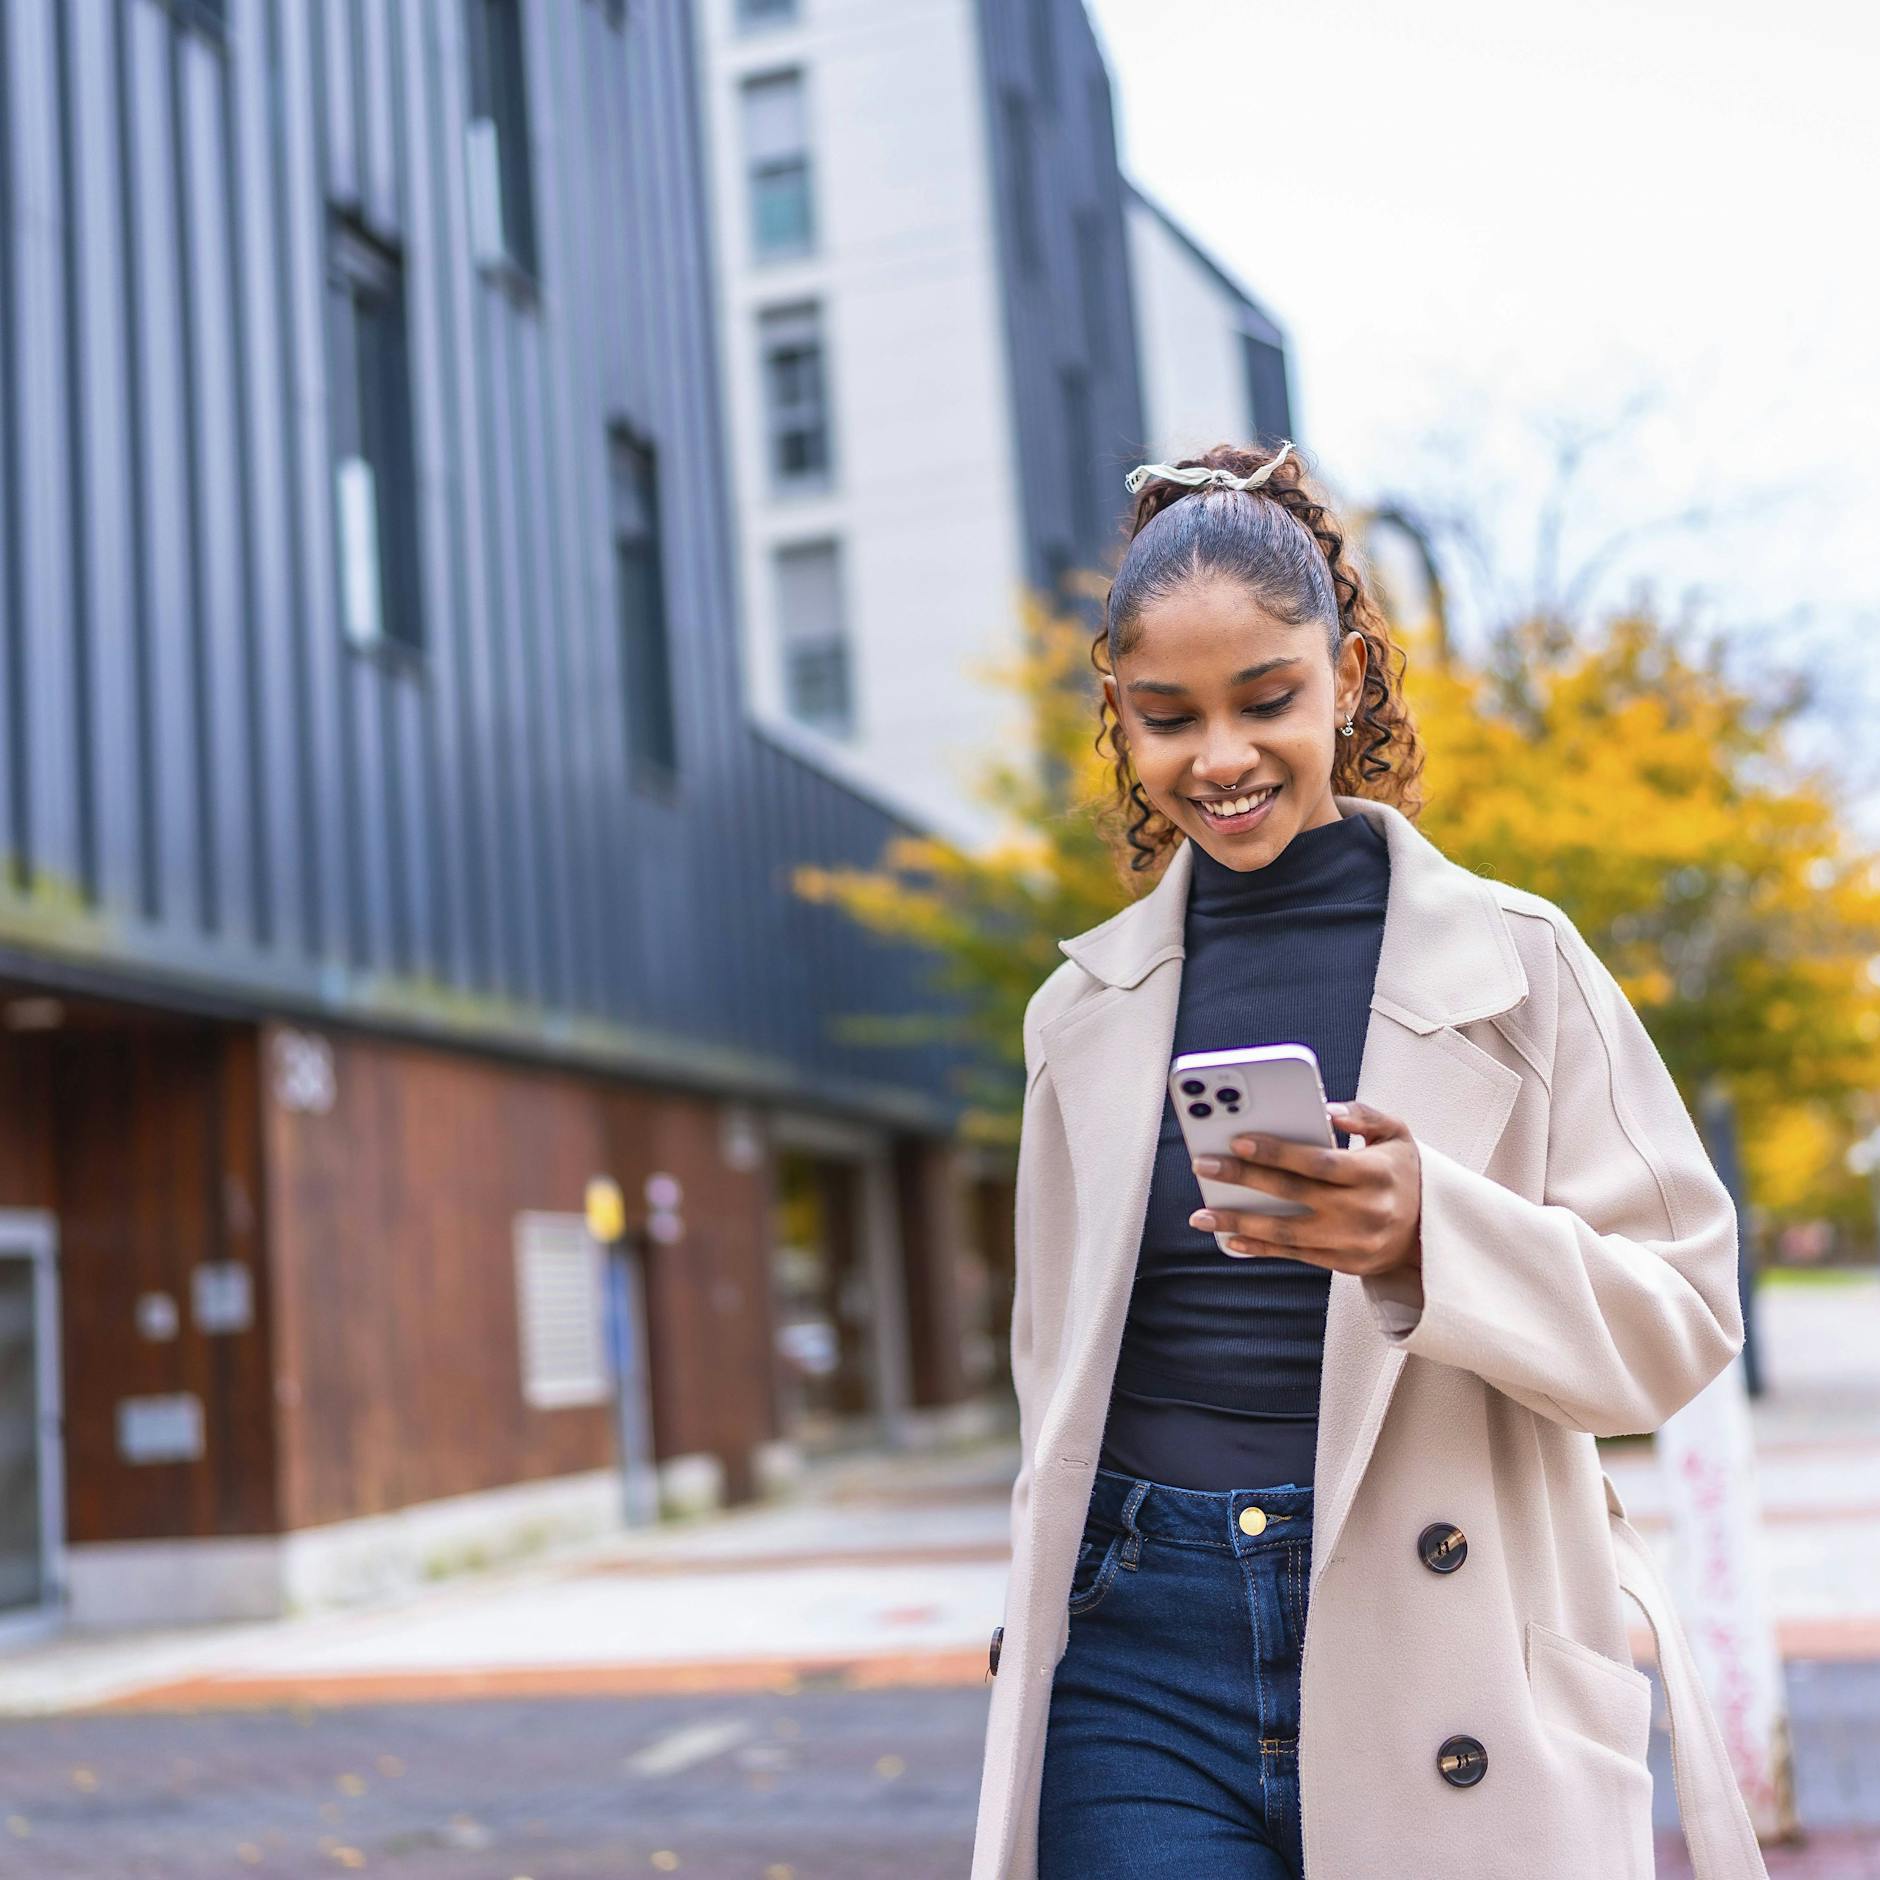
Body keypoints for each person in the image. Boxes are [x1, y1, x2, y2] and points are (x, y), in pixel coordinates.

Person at [968, 443, 1769, 1880]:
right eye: (1169, 716)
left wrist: (1427, 1241)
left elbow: (1685, 1314)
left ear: (1347, 678)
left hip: (1446, 1636)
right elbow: (1052, 1379)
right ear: (1119, 722)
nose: (1220, 758)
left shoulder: (1523, 967)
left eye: (1266, 699)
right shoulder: (1075, 1019)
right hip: (1144, 1643)